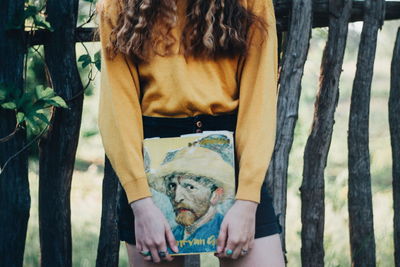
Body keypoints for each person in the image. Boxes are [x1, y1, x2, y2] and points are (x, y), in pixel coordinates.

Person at [96, 0, 286, 265]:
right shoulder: (117, 4)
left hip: (230, 157)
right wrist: (141, 202)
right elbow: (118, 107)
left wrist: (247, 199)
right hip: (153, 161)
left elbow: (259, 99)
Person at [147, 141, 236, 254]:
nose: (177, 198)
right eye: (172, 186)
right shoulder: (173, 234)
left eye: (190, 187)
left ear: (215, 195)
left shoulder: (225, 232)